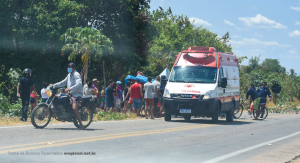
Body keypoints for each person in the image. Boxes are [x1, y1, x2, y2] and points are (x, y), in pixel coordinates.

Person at [52, 63, 85, 129]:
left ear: (74, 68)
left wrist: (70, 88)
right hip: (70, 94)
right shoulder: (69, 75)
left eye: (70, 67)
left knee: (74, 108)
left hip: (77, 95)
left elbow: (79, 84)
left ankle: (81, 124)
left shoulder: (76, 74)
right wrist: (53, 85)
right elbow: (63, 83)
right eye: (68, 67)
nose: (69, 68)